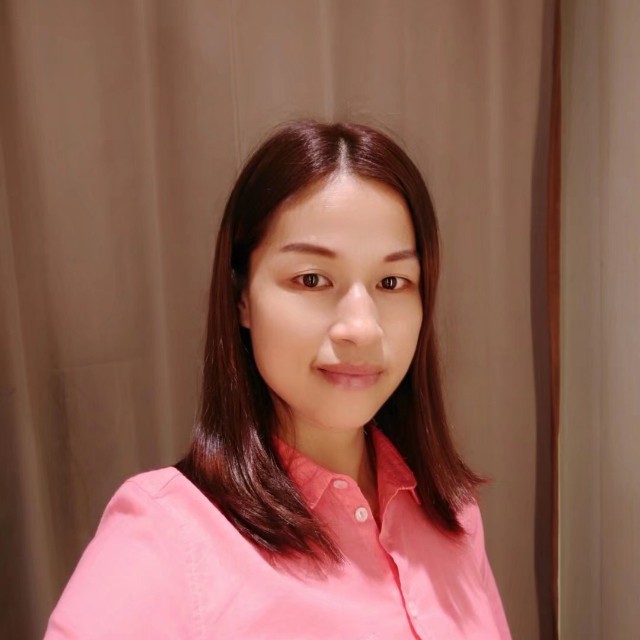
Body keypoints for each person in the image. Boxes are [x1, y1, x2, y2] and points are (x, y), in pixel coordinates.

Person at [44, 121, 511, 639]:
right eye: (312, 279)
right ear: (242, 298)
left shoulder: (455, 516)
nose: (361, 328)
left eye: (391, 281)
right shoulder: (164, 538)